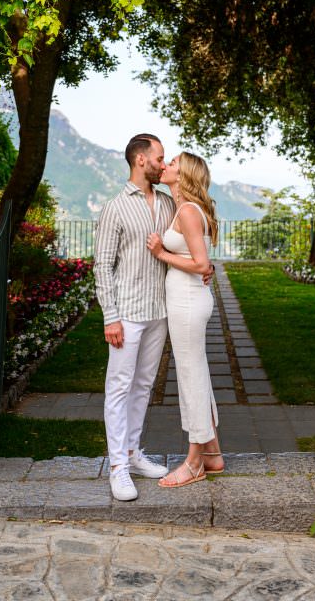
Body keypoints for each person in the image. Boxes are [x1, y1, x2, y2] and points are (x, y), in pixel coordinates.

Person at [94, 133, 175, 502]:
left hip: (159, 311)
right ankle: (117, 467)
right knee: (119, 387)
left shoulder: (167, 203)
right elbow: (102, 266)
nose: (163, 163)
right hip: (126, 313)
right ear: (141, 159)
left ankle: (132, 453)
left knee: (144, 386)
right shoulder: (115, 207)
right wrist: (110, 317)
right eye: (159, 157)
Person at [147, 151, 225, 487]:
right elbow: (202, 262)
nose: (166, 165)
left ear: (184, 175)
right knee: (197, 374)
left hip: (189, 302)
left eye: (173, 163)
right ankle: (213, 454)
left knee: (191, 378)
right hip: (187, 300)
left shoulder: (190, 211)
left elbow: (201, 264)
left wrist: (161, 253)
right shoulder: (185, 208)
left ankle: (194, 464)